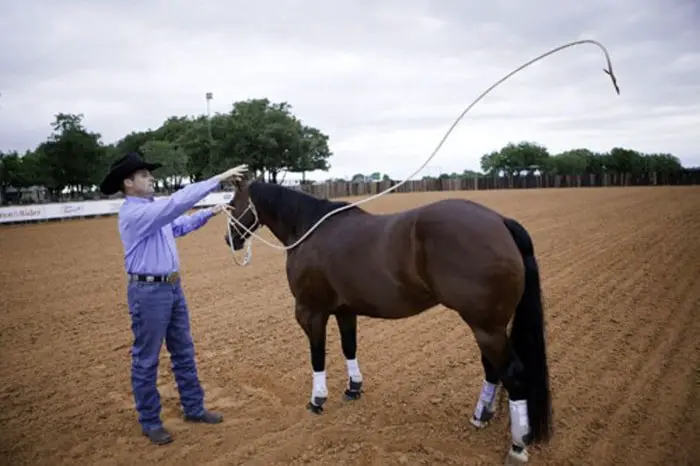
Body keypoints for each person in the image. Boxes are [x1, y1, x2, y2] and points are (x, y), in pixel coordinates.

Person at [99, 151, 247, 445]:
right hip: (149, 293)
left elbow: (178, 226)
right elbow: (177, 203)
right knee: (146, 359)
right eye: (143, 175)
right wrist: (216, 180)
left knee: (183, 351)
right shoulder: (135, 213)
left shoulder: (152, 212)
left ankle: (193, 408)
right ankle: (150, 421)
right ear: (128, 183)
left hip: (170, 288)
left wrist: (210, 212)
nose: (150, 177)